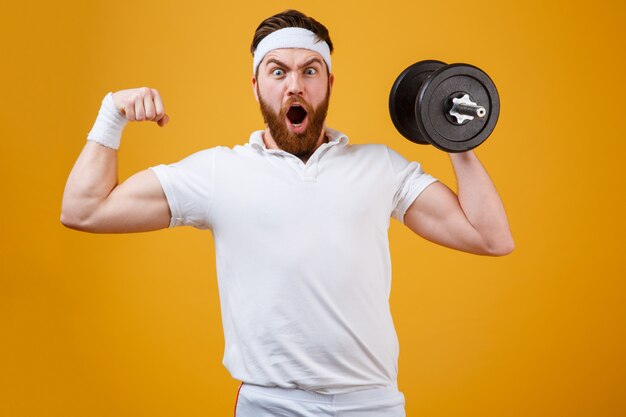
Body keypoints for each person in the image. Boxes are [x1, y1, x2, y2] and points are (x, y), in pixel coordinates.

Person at [61, 9, 514, 417]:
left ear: (329, 84)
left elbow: (491, 237)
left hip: (372, 404)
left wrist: (454, 135)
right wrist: (110, 117)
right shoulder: (219, 172)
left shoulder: (380, 167)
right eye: (277, 71)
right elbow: (86, 210)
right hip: (271, 405)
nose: (294, 85)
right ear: (256, 85)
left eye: (309, 70)